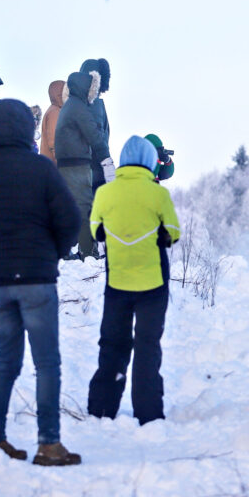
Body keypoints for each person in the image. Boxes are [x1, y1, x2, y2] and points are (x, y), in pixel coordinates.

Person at [0, 99, 82, 466]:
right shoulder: (41, 169)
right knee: (47, 364)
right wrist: (52, 252)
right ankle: (49, 444)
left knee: (6, 361)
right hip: (37, 278)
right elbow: (70, 221)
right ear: (26, 127)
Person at [87, 136, 180, 425]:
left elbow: (95, 231)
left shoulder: (106, 192)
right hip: (152, 282)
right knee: (147, 345)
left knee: (113, 343)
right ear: (151, 161)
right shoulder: (158, 194)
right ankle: (148, 412)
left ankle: (102, 408)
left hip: (117, 282)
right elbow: (173, 232)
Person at [54, 70, 114, 258]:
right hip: (76, 165)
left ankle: (66, 250)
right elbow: (95, 135)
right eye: (92, 89)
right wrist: (107, 161)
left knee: (71, 208)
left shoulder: (69, 105)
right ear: (85, 88)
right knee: (84, 207)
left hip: (67, 163)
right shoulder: (79, 108)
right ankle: (88, 252)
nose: (93, 93)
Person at [79, 58, 112, 192]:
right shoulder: (93, 105)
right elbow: (98, 140)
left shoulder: (80, 103)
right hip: (94, 175)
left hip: (85, 174)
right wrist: (108, 169)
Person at [40, 80, 65, 163]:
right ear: (60, 94)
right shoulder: (54, 112)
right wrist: (61, 163)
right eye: (66, 91)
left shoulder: (55, 110)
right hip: (54, 165)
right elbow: (54, 141)